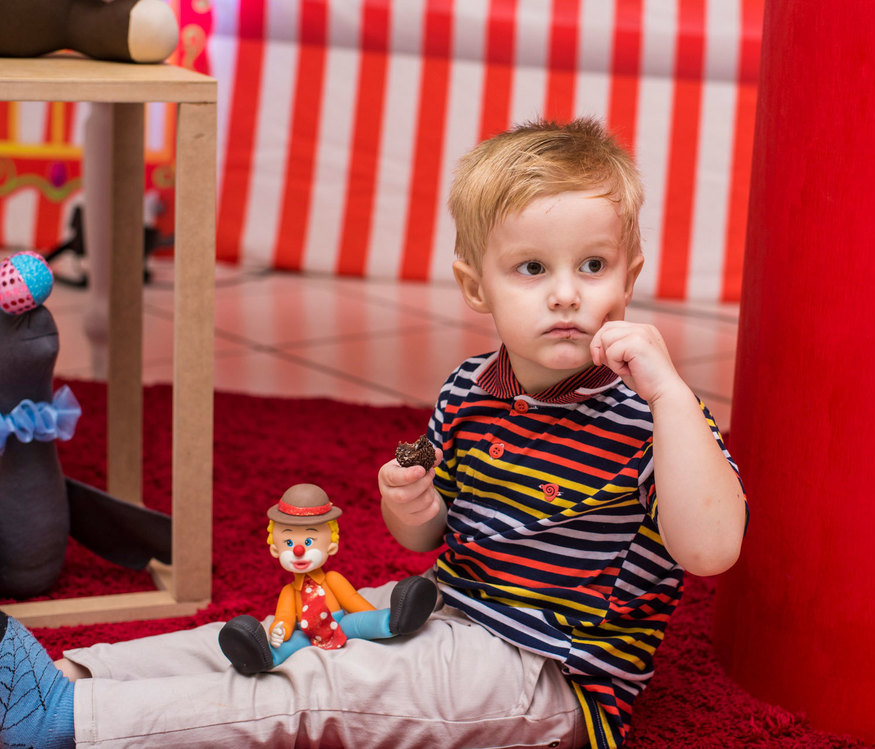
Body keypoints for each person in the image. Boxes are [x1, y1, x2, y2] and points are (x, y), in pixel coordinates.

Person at [0, 117, 746, 749]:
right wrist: (413, 505)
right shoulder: (470, 389)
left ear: (629, 275)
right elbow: (428, 540)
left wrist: (675, 396)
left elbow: (710, 549)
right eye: (531, 267)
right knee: (285, 633)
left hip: (547, 672)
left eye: (593, 266)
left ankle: (71, 721)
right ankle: (79, 673)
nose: (565, 293)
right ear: (475, 284)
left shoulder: (656, 414)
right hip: (448, 605)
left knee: (325, 683)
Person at [216, 483, 437, 674]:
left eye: (309, 541)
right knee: (287, 645)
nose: (299, 550)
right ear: (275, 549)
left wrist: (370, 616)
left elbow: (351, 600)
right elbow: (284, 616)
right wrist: (279, 630)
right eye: (289, 543)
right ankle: (260, 655)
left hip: (340, 624)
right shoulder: (288, 592)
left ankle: (396, 619)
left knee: (361, 623)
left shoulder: (332, 578)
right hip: (306, 633)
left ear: (331, 545)